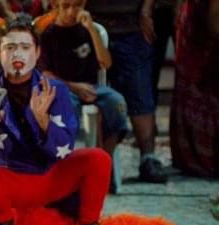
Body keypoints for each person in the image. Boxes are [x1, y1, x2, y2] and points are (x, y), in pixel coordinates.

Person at [0, 14, 116, 225]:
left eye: (25, 47)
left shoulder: (56, 90)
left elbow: (65, 145)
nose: (18, 54)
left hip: (52, 175)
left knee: (98, 159)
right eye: (10, 47)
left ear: (37, 52)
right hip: (15, 179)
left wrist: (44, 124)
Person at [84, 0, 168, 183]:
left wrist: (146, 11)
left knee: (140, 92)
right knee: (95, 95)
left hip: (133, 26)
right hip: (90, 26)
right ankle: (97, 160)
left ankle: (148, 157)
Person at [38, 0, 129, 164]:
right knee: (65, 106)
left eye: (77, 5)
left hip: (92, 86)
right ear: (56, 6)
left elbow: (106, 63)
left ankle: (104, 162)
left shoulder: (89, 30)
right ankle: (67, 163)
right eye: (66, 6)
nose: (71, 11)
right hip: (62, 87)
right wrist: (75, 87)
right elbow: (46, 74)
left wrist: (92, 30)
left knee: (117, 102)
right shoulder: (47, 34)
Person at [170, 0, 219, 178]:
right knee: (200, 95)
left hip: (202, 32)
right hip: (204, 41)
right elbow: (214, 21)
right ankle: (202, 159)